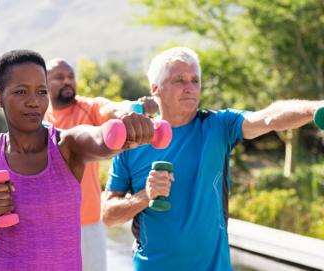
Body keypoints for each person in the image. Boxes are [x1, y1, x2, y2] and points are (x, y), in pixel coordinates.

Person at [102, 46, 324, 271]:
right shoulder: (133, 141)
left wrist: (314, 109)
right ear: (155, 89)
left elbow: (268, 117)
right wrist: (144, 196)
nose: (190, 88)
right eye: (179, 80)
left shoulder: (218, 125)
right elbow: (109, 216)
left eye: (195, 80)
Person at [0, 50, 155, 271]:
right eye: (21, 91)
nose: (33, 102)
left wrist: (125, 133)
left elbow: (99, 140)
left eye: (41, 92)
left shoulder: (66, 146)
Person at [44, 58, 158, 271]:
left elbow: (114, 108)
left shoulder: (89, 107)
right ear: (45, 83)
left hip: (87, 223)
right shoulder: (39, 117)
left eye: (71, 76)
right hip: (46, 225)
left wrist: (134, 108)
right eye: (59, 77)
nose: (67, 81)